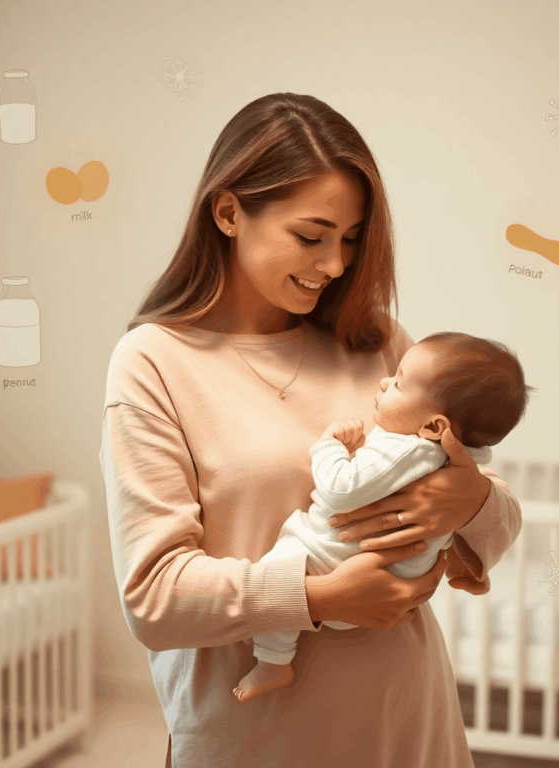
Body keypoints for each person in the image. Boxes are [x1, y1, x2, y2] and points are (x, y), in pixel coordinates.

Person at [99, 92, 522, 768]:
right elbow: (154, 599)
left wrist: (472, 498)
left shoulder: (379, 344)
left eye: (352, 240)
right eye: (311, 235)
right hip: (254, 736)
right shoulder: (155, 362)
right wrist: (318, 597)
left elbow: (492, 530)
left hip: (405, 722)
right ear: (229, 211)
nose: (335, 265)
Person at [236, 332, 533, 702]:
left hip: (334, 562)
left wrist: (328, 445)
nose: (383, 381)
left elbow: (340, 488)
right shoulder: (442, 454)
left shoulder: (404, 448)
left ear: (435, 427)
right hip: (382, 584)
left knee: (277, 568)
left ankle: (274, 661)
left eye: (398, 382)